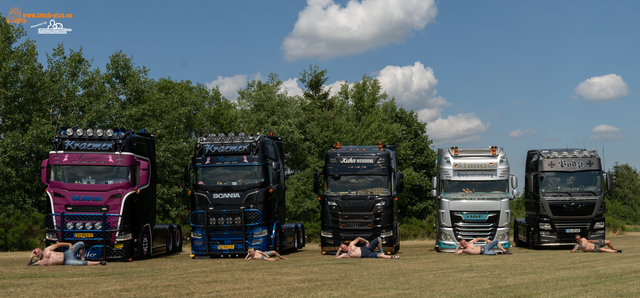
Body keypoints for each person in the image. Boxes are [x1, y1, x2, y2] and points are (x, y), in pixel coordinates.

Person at [27, 242, 105, 266]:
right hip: (66, 261)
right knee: (81, 264)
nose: (37, 253)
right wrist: (31, 256)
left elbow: (58, 245)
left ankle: (82, 257)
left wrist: (68, 244)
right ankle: (99, 262)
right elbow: (28, 265)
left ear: (41, 250)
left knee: (81, 244)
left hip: (67, 253)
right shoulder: (39, 262)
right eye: (36, 253)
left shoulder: (46, 250)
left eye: (38, 251)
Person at [335, 237, 399, 259]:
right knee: (380, 256)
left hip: (365, 248)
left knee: (379, 239)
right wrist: (339, 250)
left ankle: (381, 251)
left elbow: (358, 238)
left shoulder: (350, 245)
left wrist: (366, 241)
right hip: (365, 255)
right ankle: (393, 257)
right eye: (343, 248)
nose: (344, 248)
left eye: (344, 246)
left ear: (345, 245)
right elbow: (336, 257)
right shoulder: (345, 255)